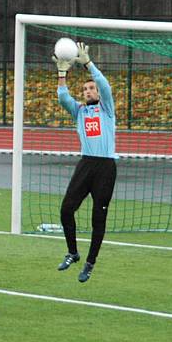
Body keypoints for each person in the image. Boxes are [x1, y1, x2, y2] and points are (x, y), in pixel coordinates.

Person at [52, 42, 118, 282]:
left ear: (98, 93)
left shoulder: (107, 109)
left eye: (92, 88)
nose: (89, 91)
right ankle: (72, 252)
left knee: (97, 218)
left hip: (106, 167)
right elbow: (62, 97)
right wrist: (62, 73)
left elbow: (105, 85)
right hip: (86, 165)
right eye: (86, 89)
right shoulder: (80, 111)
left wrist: (88, 63)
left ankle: (90, 262)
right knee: (66, 209)